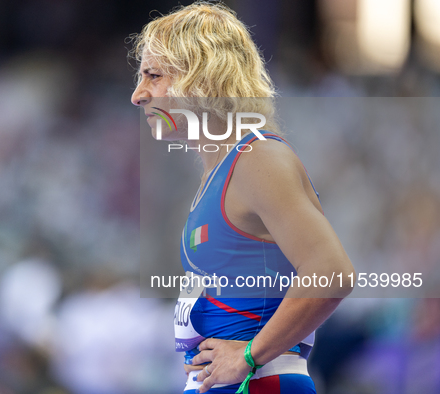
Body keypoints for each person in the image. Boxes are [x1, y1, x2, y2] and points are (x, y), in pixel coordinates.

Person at [130, 2, 355, 394]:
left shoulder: (258, 159)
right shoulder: (219, 171)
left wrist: (250, 355)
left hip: (258, 382)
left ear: (201, 76)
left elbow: (332, 273)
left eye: (153, 75)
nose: (138, 95)